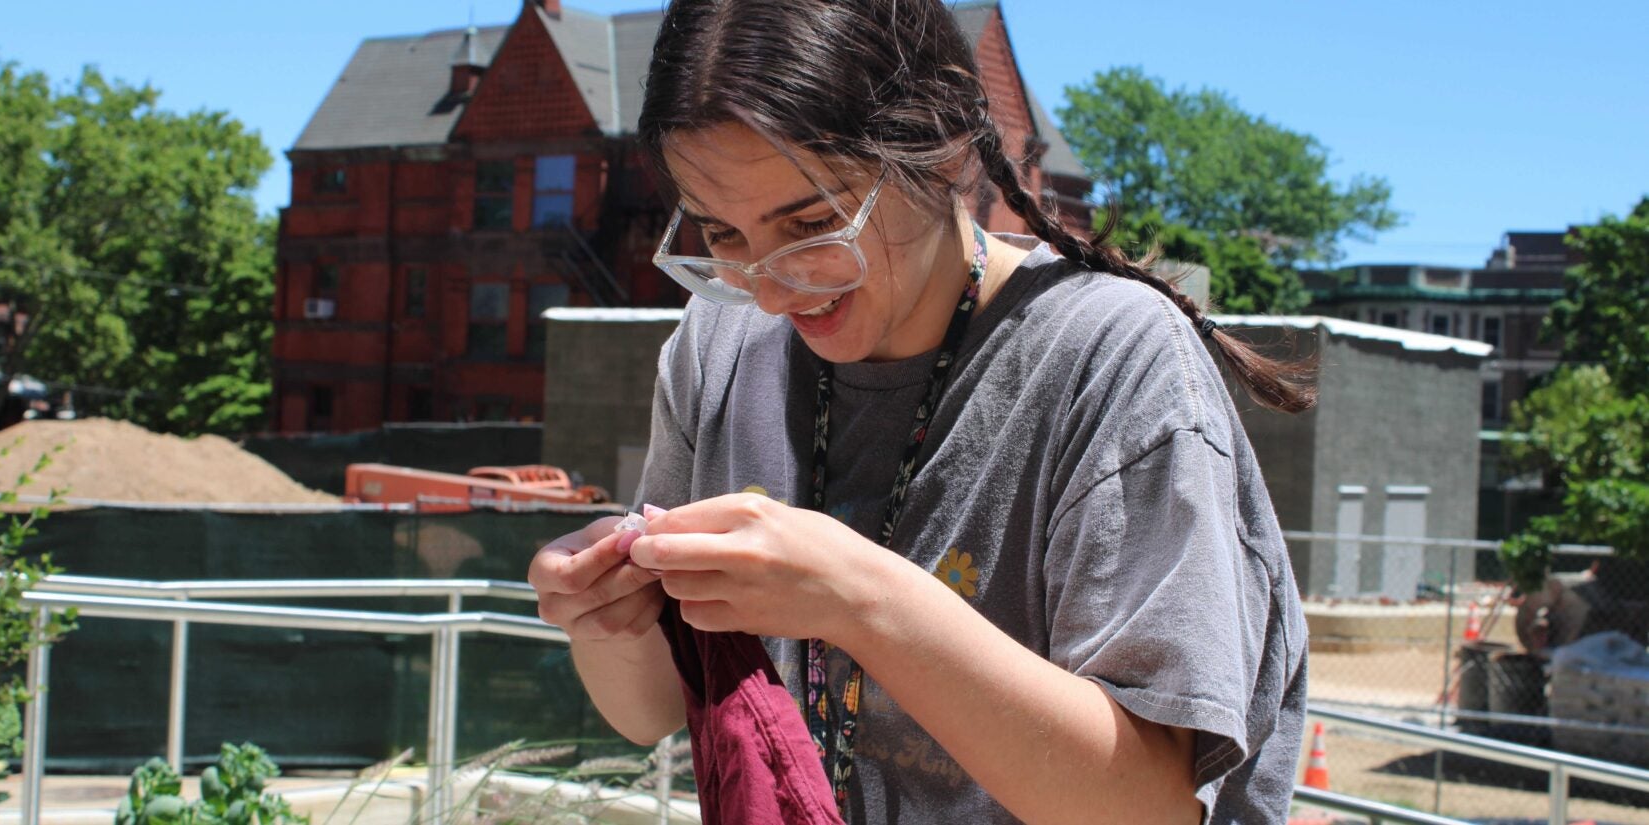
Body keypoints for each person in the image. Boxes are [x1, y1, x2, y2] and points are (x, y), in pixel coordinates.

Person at [528, 1, 1311, 822]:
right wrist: (605, 620)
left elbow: (1149, 805)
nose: (768, 286)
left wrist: (863, 598)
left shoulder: (1111, 358)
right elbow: (647, 711)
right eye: (722, 234)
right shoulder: (719, 345)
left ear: (940, 154)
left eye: (813, 222)